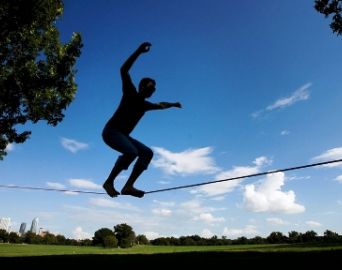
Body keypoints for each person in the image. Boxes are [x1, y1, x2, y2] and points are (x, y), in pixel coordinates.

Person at [102, 42, 182, 198]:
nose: (154, 90)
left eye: (154, 89)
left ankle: (128, 186)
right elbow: (123, 70)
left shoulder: (145, 105)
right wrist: (138, 51)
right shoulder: (130, 93)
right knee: (132, 152)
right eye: (152, 87)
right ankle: (109, 182)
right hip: (111, 131)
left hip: (123, 135)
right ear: (143, 86)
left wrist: (173, 104)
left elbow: (160, 105)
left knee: (146, 153)